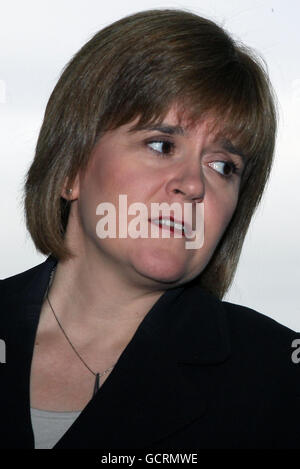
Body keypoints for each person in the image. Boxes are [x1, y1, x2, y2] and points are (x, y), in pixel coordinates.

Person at [0, 8, 299, 450]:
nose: (195, 184)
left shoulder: (280, 379)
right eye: (162, 145)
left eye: (223, 166)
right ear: (71, 170)